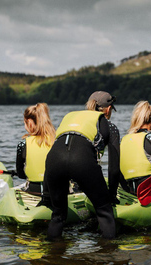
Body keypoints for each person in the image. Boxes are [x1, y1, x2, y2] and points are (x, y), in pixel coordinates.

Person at [44, 91, 121, 240]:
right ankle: (109, 256)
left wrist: (46, 195)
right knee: (104, 212)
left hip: (53, 160)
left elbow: (53, 154)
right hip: (82, 160)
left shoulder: (70, 117)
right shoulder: (109, 125)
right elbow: (114, 168)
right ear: (109, 109)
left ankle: (51, 258)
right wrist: (110, 196)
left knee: (58, 215)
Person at [15, 102, 56, 194]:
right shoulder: (57, 140)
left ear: (29, 123)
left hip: (34, 190)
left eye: (24, 123)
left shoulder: (23, 143)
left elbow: (21, 174)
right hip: (56, 190)